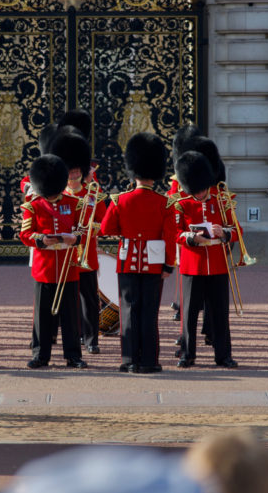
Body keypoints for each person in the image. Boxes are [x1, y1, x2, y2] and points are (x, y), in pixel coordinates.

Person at [100, 132, 176, 374]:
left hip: (127, 262)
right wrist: (168, 266)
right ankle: (149, 362)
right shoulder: (165, 203)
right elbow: (170, 238)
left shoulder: (121, 200)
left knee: (129, 310)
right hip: (154, 264)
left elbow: (105, 228)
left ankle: (129, 359)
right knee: (149, 312)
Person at [19, 153, 87, 369]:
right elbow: (25, 234)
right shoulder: (33, 205)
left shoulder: (74, 203)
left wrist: (75, 238)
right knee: (42, 316)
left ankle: (73, 355)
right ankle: (40, 354)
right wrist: (42, 240)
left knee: (70, 316)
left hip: (68, 267)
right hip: (45, 268)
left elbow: (84, 230)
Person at [173, 151, 238, 369]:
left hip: (218, 265)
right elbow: (175, 232)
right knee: (189, 314)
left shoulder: (222, 201)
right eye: (196, 189)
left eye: (202, 188)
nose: (200, 193)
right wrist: (191, 237)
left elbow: (236, 230)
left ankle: (223, 355)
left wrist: (224, 233)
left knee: (220, 314)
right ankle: (187, 354)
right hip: (192, 266)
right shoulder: (182, 204)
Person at [49, 128, 106, 354]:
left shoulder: (93, 194)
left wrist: (87, 227)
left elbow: (103, 223)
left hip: (86, 254)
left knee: (89, 301)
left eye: (75, 174)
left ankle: (92, 339)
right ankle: (64, 337)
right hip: (63, 256)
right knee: (65, 301)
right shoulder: (57, 194)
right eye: (69, 174)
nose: (72, 178)